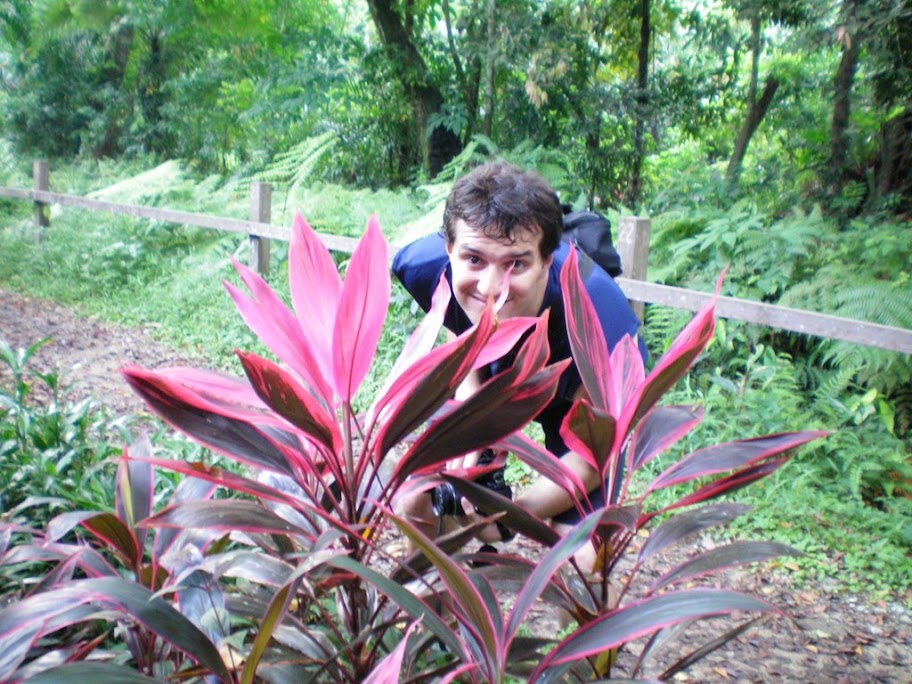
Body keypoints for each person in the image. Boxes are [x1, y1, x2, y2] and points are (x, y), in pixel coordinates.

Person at [391, 161, 645, 567]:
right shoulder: (423, 269)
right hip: (496, 363)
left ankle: (585, 630)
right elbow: (460, 328)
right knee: (416, 503)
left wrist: (514, 517)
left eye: (516, 264)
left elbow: (592, 459)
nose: (492, 288)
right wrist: (470, 408)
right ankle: (431, 619)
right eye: (474, 259)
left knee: (584, 556)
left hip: (574, 393)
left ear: (548, 260)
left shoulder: (601, 318)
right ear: (449, 251)